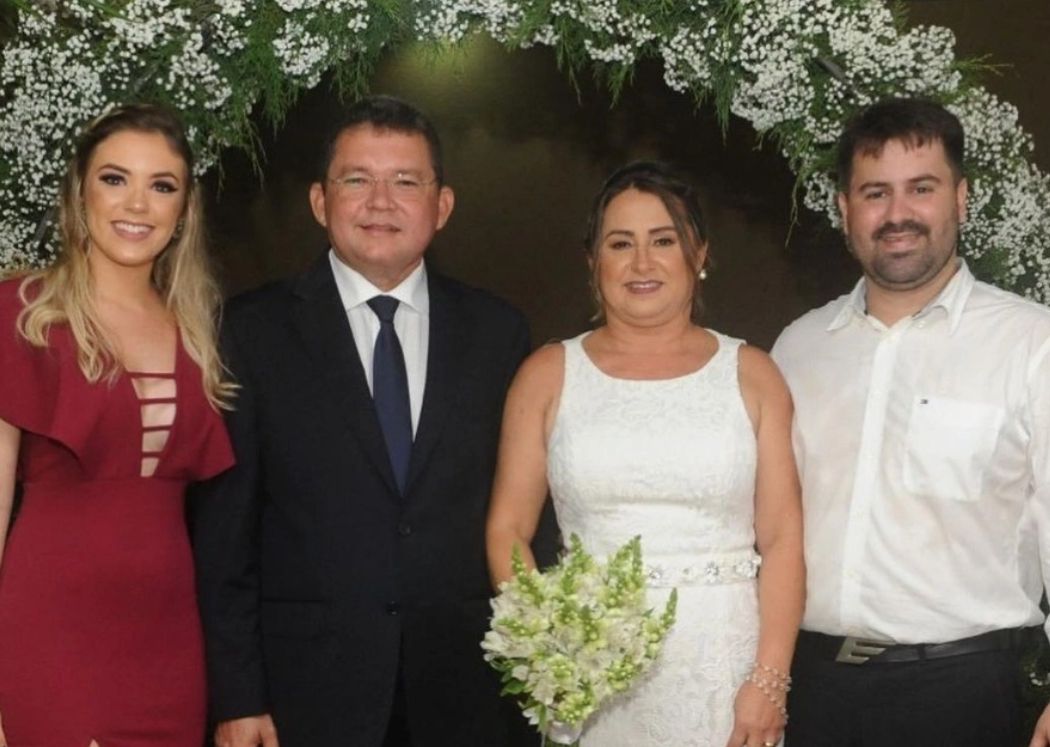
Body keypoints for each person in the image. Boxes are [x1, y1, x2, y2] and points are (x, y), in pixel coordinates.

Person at [192, 94, 549, 747]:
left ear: (442, 205)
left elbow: (527, 516)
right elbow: (224, 534)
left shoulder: (498, 332)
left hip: (465, 691)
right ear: (319, 201)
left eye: (405, 182)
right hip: (306, 694)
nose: (380, 202)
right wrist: (238, 696)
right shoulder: (251, 331)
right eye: (356, 180)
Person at [486, 161, 805, 747]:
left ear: (699, 254)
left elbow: (782, 538)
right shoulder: (546, 374)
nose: (641, 263)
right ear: (593, 261)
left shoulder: (753, 374)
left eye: (663, 241)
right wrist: (550, 646)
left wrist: (770, 679)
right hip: (594, 685)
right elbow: (507, 528)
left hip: (725, 674)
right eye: (620, 243)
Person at [771, 97, 1050, 746]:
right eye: (875, 193)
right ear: (844, 209)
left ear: (961, 198)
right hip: (812, 693)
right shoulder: (796, 349)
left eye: (921, 188)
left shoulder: (1031, 344)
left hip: (963, 695)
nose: (898, 214)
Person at [0, 104, 235, 747]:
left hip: (170, 646)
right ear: (80, 193)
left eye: (162, 185)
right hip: (51, 634)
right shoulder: (20, 315)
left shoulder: (199, 332)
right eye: (114, 178)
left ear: (184, 210)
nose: (137, 204)